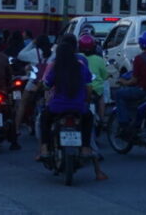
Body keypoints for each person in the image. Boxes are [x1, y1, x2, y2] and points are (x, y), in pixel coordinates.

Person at [40, 35, 106, 181]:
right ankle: (85, 147)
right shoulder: (82, 66)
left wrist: (43, 86)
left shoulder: (56, 67)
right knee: (88, 120)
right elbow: (89, 89)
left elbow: (46, 85)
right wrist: (85, 100)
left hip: (57, 108)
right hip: (78, 107)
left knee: (44, 119)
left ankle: (44, 147)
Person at [114, 30, 146, 136]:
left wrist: (123, 81)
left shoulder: (139, 58)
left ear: (141, 44)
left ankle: (124, 124)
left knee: (119, 94)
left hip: (144, 90)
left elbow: (134, 80)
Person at [79, 34, 108, 128]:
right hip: (96, 90)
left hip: (80, 89)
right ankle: (102, 119)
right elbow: (105, 76)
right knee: (101, 97)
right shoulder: (99, 60)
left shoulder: (77, 57)